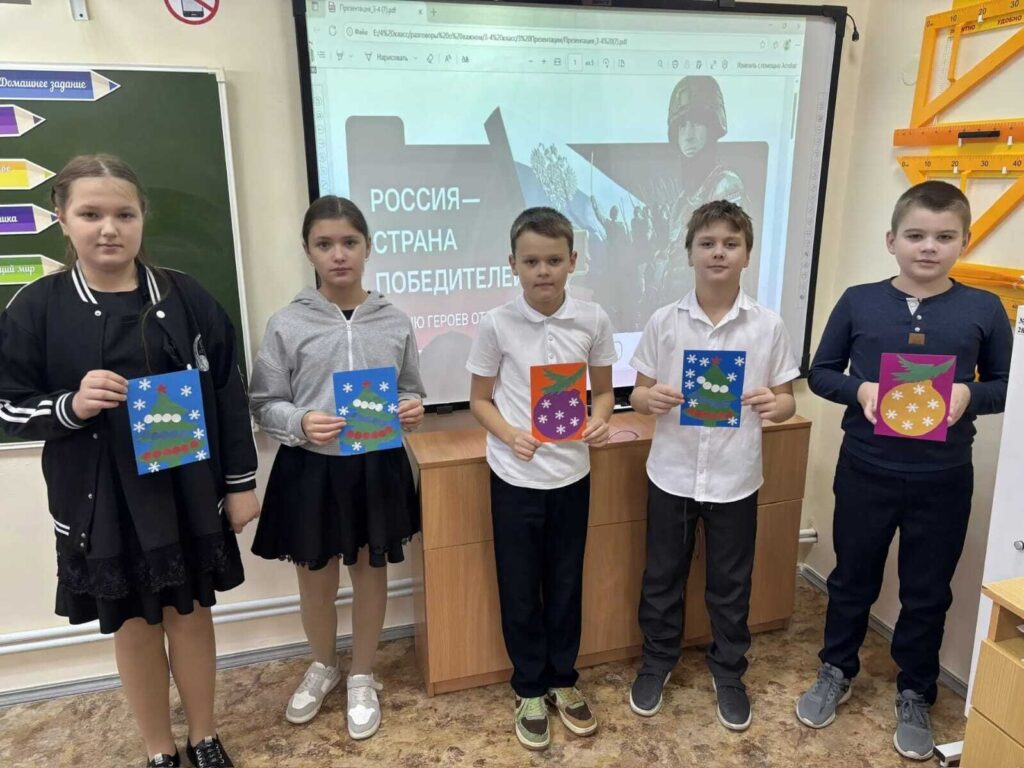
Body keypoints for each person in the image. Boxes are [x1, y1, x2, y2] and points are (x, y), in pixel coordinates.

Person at [0, 154, 260, 768]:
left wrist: (240, 483)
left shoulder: (185, 295)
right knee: (135, 624)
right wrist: (70, 405)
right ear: (63, 218)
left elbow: (228, 389)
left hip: (185, 490)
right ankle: (159, 750)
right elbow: (6, 405)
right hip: (102, 499)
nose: (109, 228)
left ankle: (204, 737)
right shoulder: (37, 306)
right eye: (90, 214)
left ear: (143, 217)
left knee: (190, 615)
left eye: (124, 214)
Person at [796, 181, 1012, 761]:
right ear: (892, 240)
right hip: (865, 469)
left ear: (964, 242)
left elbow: (1005, 385)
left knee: (927, 590)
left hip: (943, 477)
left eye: (944, 237)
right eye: (916, 235)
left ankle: (916, 690)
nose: (928, 247)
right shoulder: (859, 301)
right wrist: (861, 389)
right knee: (851, 578)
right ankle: (835, 670)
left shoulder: (984, 309)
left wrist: (969, 395)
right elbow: (820, 372)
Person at [248, 195, 425, 741]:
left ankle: (363, 674)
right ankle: (324, 664)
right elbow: (263, 402)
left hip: (375, 467)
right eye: (324, 244)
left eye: (349, 242)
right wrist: (300, 421)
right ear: (308, 251)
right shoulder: (287, 323)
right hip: (312, 470)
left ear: (368, 247)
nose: (339, 254)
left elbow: (411, 388)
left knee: (371, 573)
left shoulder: (394, 320)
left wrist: (411, 407)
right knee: (315, 580)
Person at [628, 199, 798, 732]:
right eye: (707, 243)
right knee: (662, 577)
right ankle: (657, 662)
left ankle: (728, 673)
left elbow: (787, 399)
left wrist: (775, 405)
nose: (718, 252)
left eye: (730, 243)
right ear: (689, 254)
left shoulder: (767, 325)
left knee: (731, 584)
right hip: (672, 473)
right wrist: (649, 399)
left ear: (747, 255)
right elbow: (637, 394)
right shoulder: (665, 321)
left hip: (735, 478)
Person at [467, 206, 617, 751]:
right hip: (515, 476)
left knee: (566, 583)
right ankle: (528, 687)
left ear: (572, 261)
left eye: (553, 260)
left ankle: (563, 679)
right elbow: (479, 400)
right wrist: (510, 435)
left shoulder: (593, 320)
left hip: (572, 474)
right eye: (531, 261)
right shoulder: (496, 324)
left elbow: (605, 391)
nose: (543, 271)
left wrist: (601, 420)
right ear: (513, 264)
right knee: (519, 586)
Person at [648, 76, 749, 309]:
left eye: (696, 123)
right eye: (682, 126)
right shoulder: (680, 203)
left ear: (712, 127)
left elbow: (726, 266)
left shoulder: (726, 186)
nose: (688, 134)